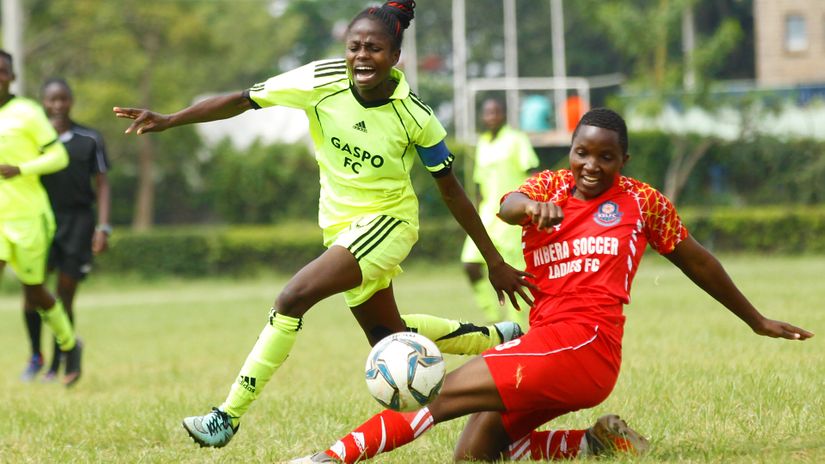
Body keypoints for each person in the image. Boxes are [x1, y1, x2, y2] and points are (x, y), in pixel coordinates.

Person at [113, 0, 533, 449]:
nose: (361, 56)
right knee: (388, 336)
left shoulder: (416, 116)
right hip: (339, 226)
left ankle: (226, 416)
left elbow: (452, 191)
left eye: (374, 48)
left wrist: (493, 259)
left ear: (395, 58)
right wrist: (172, 119)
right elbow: (242, 100)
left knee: (292, 298)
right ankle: (496, 337)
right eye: (354, 46)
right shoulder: (320, 80)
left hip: (389, 223)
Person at [289, 107, 814, 463]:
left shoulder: (643, 202)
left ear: (623, 162)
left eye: (605, 157)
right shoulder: (549, 186)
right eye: (582, 152)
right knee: (473, 455)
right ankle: (591, 443)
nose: (590, 165)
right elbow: (507, 203)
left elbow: (697, 261)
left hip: (585, 347)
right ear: (572, 149)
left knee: (435, 394)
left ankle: (325, 458)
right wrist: (531, 208)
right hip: (543, 342)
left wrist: (757, 320)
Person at [0, 50, 84, 387]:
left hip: (29, 217)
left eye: (2, 71)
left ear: (12, 77)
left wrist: (21, 169)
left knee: (35, 292)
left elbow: (59, 156)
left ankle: (69, 344)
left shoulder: (28, 113)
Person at [22, 78, 111, 383]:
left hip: (78, 222)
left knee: (65, 296)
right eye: (51, 100)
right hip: (39, 220)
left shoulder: (89, 138)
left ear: (71, 101)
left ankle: (62, 359)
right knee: (32, 290)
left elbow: (102, 184)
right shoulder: (34, 140)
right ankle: (36, 356)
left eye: (63, 99)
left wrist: (103, 226)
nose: (57, 105)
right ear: (42, 103)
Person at [461, 98, 539, 326]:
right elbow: (480, 184)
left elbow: (532, 174)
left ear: (503, 114)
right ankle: (492, 317)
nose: (491, 116)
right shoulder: (483, 144)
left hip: (512, 214)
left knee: (515, 269)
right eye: (487, 112)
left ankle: (516, 324)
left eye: (496, 112)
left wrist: (531, 208)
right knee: (470, 264)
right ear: (483, 117)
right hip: (487, 215)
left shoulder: (517, 139)